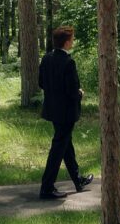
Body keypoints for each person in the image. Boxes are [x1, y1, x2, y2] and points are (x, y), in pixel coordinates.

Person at [39, 25, 94, 200]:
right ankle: (46, 188)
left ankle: (78, 180)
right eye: (72, 39)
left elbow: (41, 83)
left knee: (65, 144)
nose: (73, 42)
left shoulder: (46, 59)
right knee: (58, 148)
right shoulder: (68, 62)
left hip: (52, 109)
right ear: (67, 42)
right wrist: (80, 93)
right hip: (66, 112)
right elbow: (72, 91)